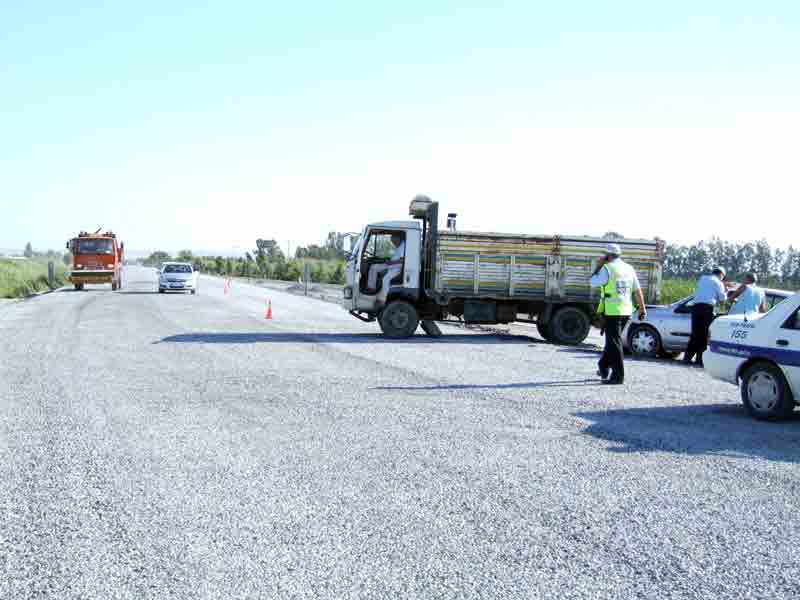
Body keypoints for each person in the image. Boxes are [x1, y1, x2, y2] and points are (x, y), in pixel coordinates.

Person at [590, 243, 647, 385]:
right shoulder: (629, 268)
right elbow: (637, 290)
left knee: (614, 342)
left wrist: (598, 266)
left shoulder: (606, 269)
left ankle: (618, 376)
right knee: (612, 341)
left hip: (612, 311)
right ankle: (603, 366)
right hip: (626, 311)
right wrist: (642, 309)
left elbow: (592, 282)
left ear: (607, 255)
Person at [683, 266, 729, 367]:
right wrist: (726, 291)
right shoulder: (719, 283)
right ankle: (699, 360)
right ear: (721, 275)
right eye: (723, 277)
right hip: (707, 309)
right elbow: (722, 299)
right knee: (703, 335)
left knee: (695, 333)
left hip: (696, 308)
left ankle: (687, 358)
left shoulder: (703, 278)